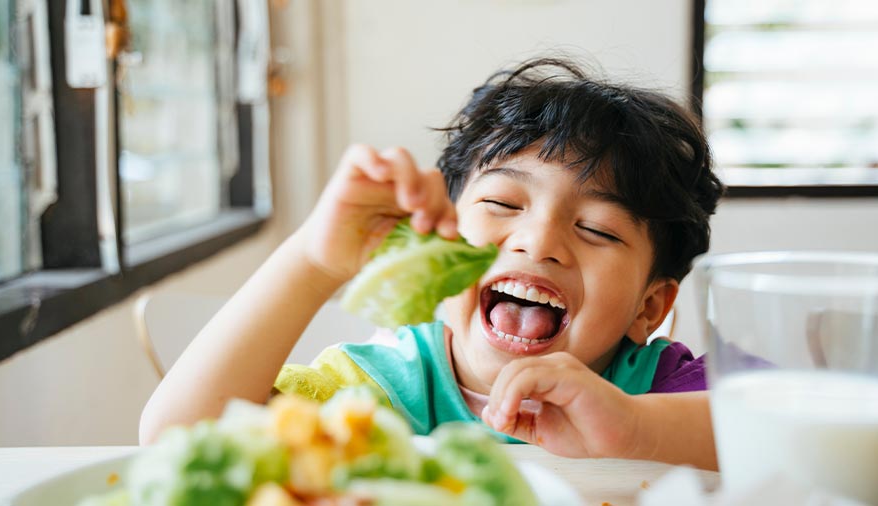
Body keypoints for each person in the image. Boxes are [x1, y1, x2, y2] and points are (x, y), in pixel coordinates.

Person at [139, 57, 724, 470]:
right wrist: (312, 263)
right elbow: (178, 440)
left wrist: (634, 428)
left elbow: (785, 433)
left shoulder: (660, 392)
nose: (537, 242)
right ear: (440, 233)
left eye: (596, 229)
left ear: (649, 307)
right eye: (502, 203)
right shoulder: (378, 393)